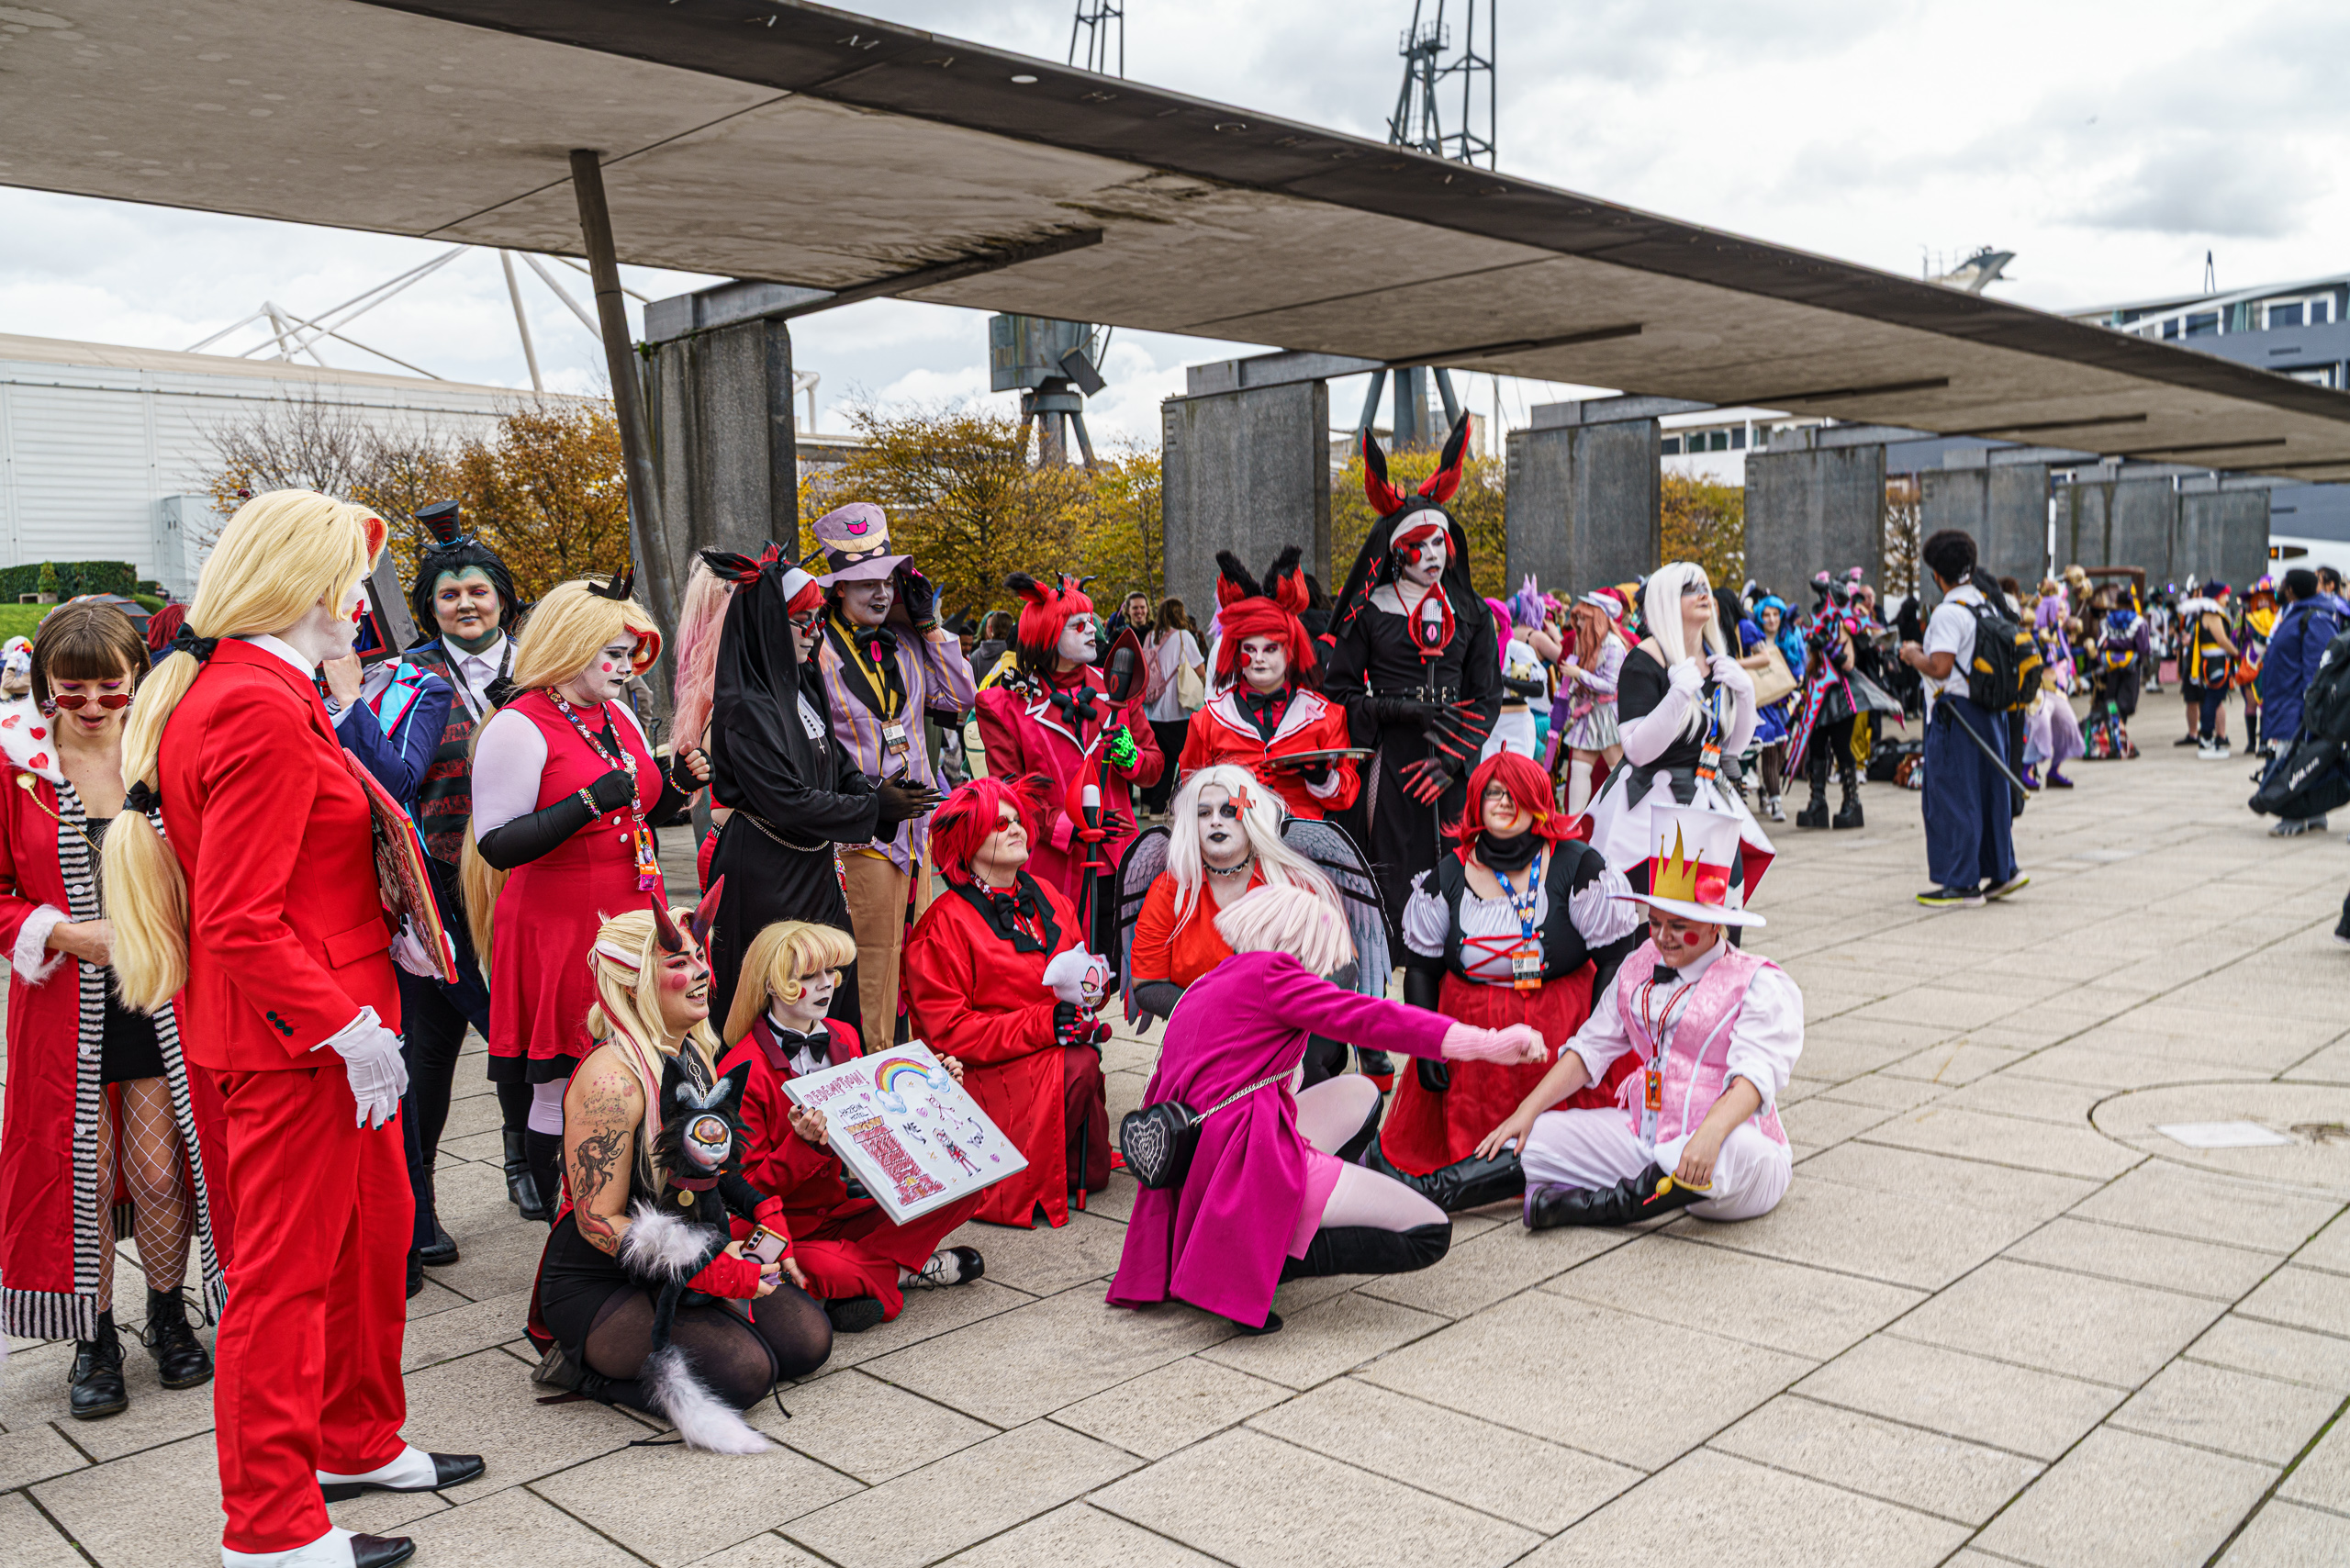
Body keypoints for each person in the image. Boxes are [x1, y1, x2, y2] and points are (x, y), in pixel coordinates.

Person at [103, 489, 481, 1568]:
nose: (362, 598)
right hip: (299, 1038)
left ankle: (352, 1439)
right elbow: (237, 918)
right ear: (304, 583)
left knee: (369, 1242)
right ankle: (269, 1530)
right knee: (282, 1280)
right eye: (350, 577)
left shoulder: (263, 688)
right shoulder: (256, 704)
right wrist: (346, 1026)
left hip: (327, 1025)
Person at [1106, 883, 1547, 1335]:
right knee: (1429, 1232)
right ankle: (1261, 1260)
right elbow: (1373, 1019)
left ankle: (1257, 1239)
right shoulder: (1275, 973)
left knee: (1362, 1093)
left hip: (1202, 1156)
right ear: (1306, 943)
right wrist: (1487, 1043)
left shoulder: (1212, 979)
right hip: (1243, 1155)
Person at [0, 601, 229, 1419]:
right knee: (83, 1179)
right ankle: (91, 1337)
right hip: (65, 1007)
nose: (93, 704)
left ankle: (168, 1316)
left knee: (163, 1172)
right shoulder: (12, 767)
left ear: (136, 677)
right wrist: (60, 930)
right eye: (73, 689)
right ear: (45, 686)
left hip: (163, 997)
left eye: (109, 686)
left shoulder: (167, 755)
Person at [527, 906, 832, 1450]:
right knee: (746, 1374)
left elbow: (715, 1171)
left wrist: (766, 1218)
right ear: (636, 982)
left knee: (808, 1342)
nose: (700, 971)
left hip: (687, 1254)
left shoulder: (693, 1053)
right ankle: (582, 1372)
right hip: (603, 1280)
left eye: (699, 956)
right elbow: (597, 1221)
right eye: (677, 961)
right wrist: (709, 1269)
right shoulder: (612, 1083)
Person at [464, 576, 700, 1221]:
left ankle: (628, 1200)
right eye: (613, 654)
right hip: (558, 924)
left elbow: (642, 810)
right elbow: (499, 845)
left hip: (630, 919)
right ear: (570, 646)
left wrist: (677, 787)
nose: (626, 668)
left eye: (630, 654)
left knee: (637, 1064)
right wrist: (588, 801)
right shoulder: (517, 726)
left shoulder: (616, 714)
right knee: (565, 1081)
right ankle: (571, 1227)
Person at [1484, 805, 1802, 1229]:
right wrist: (1526, 1112)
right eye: (1654, 922)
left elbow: (1755, 1077)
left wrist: (1708, 1135)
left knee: (1732, 1148)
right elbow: (1591, 1048)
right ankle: (1428, 1191)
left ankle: (1574, 1209)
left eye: (1678, 925)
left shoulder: (1760, 984)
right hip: (1647, 1140)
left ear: (1715, 927)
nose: (1662, 937)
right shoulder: (1639, 965)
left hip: (1737, 1162)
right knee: (1538, 1140)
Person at [1368, 750, 1647, 1210]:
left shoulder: (1578, 865)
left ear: (1539, 801)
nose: (1503, 802)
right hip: (1475, 1040)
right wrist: (1426, 1044)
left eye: (1516, 793)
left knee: (1577, 1143)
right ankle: (1466, 1176)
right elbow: (1421, 969)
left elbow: (1616, 959)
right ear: (1476, 802)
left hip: (1562, 1030)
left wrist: (1594, 1038)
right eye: (1493, 792)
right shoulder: (1448, 874)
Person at [686, 547, 931, 1036]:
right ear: (769, 625)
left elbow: (835, 764)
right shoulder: (745, 707)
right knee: (773, 994)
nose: (814, 631)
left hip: (813, 865)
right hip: (764, 874)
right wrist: (872, 806)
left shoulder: (801, 681)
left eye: (817, 618)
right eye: (801, 620)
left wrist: (876, 788)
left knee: (836, 986)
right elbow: (786, 800)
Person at [714, 920, 987, 1333]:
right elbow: (743, 1190)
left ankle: (866, 1275)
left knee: (968, 1183)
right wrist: (801, 1145)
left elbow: (880, 1122)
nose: (826, 985)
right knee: (827, 1265)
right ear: (772, 984)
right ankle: (899, 1273)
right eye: (809, 976)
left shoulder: (843, 1036)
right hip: (780, 1224)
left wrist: (933, 1092)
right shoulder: (740, 1069)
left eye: (831, 972)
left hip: (844, 1207)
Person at [386, 501, 539, 1224]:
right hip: (439, 887)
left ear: (502, 596)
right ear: (429, 608)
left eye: (478, 590)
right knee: (428, 1054)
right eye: (449, 594)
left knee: (524, 1037)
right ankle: (418, 1207)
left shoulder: (546, 667)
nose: (465, 603)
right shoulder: (405, 678)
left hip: (532, 878)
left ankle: (526, 1162)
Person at [321, 596, 460, 1295]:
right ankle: (384, 1241)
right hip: (315, 910)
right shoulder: (278, 681)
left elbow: (400, 784)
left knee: (402, 1070)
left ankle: (409, 1234)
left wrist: (349, 701)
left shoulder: (417, 685)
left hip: (401, 907)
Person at [901, 776, 1111, 1228]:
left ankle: (1057, 1159)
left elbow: (1077, 973)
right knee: (1078, 1065)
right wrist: (1046, 1024)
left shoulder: (1048, 897)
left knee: (1090, 1156)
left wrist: (1094, 991)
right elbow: (948, 1032)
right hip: (986, 1073)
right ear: (968, 842)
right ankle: (1021, 1174)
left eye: (1017, 820)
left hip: (1050, 1053)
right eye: (999, 824)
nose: (1016, 828)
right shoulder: (943, 925)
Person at [1323, 418, 1501, 936]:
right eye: (1418, 547)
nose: (1431, 557)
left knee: (1459, 864)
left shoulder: (1473, 613)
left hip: (1454, 759)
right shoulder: (1368, 610)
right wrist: (1398, 709)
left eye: (1439, 545)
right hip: (1391, 758)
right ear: (1396, 552)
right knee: (1392, 871)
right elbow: (1340, 692)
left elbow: (1487, 697)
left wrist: (1454, 758)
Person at [806, 503, 964, 1054]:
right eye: (860, 584)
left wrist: (932, 627)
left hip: (918, 832)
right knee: (872, 964)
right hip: (863, 834)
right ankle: (873, 1084)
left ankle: (924, 1077)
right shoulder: (817, 654)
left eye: (884, 581)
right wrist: (869, 798)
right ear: (836, 592)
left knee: (919, 962)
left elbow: (959, 699)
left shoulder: (911, 642)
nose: (878, 593)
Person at [973, 573, 1164, 952]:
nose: (1092, 630)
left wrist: (1131, 757)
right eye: (1079, 625)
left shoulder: (1119, 685)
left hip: (1118, 862)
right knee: (1056, 977)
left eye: (1091, 621)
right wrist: (1066, 826)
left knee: (1108, 977)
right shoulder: (1004, 705)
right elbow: (1012, 791)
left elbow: (1154, 767)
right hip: (1051, 869)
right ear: (1047, 634)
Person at [1129, 765, 1351, 1082]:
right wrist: (1221, 1012)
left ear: (1250, 817)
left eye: (1229, 810)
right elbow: (1147, 986)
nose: (1216, 820)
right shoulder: (1169, 890)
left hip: (1295, 1032)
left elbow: (1342, 967)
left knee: (1306, 1076)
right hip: (1208, 1034)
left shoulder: (1292, 882)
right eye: (1203, 813)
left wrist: (1294, 1012)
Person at [1584, 562, 1773, 910]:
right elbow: (1638, 751)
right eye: (1689, 588)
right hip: (1651, 810)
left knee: (1719, 915)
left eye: (1704, 585)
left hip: (1709, 800)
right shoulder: (1644, 660)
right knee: (1659, 926)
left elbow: (1733, 747)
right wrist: (1677, 697)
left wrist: (1746, 696)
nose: (1704, 593)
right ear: (1665, 599)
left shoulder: (1716, 661)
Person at [1179, 548, 1360, 820]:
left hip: (1304, 850)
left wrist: (1324, 779)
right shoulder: (1208, 722)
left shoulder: (1328, 717)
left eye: (1271, 649)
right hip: (1234, 851)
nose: (1259, 659)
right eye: (1249, 649)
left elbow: (1346, 797)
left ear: (1290, 651)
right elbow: (1188, 789)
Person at [1899, 531, 2027, 909]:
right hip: (1990, 712)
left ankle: (1962, 882)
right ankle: (2003, 870)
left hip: (1955, 716)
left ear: (1938, 574)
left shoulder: (1948, 612)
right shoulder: (1987, 605)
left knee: (1953, 796)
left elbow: (1940, 667)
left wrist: (1911, 655)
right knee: (1990, 793)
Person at [2256, 568, 2346, 837]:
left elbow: (2319, 670)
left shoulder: (2314, 618)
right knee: (2301, 761)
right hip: (2284, 703)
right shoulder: (2298, 613)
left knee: (2293, 762)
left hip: (2295, 708)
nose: (2280, 588)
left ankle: (2293, 816)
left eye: (2284, 584)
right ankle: (2313, 815)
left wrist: (2312, 711)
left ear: (2292, 589)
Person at [1553, 588, 1629, 820]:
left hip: (1608, 716)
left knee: (1620, 773)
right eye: (1577, 617)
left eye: (1583, 617)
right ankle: (1571, 826)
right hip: (1589, 716)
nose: (1577, 621)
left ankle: (1628, 821)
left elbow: (1611, 685)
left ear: (1597, 617)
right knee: (1578, 771)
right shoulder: (1585, 643)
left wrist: (1579, 674)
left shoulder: (1613, 645)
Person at [1138, 597, 1205, 814]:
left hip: (1152, 713)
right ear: (1180, 614)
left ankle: (1155, 807)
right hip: (1178, 712)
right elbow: (1200, 671)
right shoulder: (1184, 637)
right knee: (1186, 762)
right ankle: (1178, 805)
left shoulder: (1149, 637)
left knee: (1163, 763)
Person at [1738, 594, 1797, 822]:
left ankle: (1768, 791)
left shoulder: (1789, 639)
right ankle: (1768, 796)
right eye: (1766, 614)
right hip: (1760, 701)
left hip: (1786, 703)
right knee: (1756, 752)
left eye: (1775, 614)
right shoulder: (1751, 634)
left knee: (1778, 752)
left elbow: (1798, 669)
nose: (1771, 619)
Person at [2177, 584, 2240, 758]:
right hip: (2215, 665)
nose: (2227, 599)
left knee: (2212, 700)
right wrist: (2237, 654)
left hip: (2213, 663)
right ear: (2215, 597)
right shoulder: (2212, 615)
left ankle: (2207, 738)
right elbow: (2222, 640)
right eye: (2224, 595)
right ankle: (2206, 738)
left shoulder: (2209, 614)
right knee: (2212, 701)